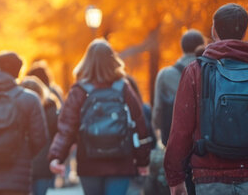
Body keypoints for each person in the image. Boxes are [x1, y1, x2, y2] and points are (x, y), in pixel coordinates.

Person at [164, 3, 248, 195]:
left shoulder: (195, 71)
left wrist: (175, 178)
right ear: (244, 31)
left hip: (209, 176)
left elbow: (181, 130)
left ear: (214, 30)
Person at [48, 39, 152, 195]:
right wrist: (143, 161)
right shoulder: (123, 87)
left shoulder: (79, 90)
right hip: (121, 162)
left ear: (87, 61)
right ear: (113, 60)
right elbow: (139, 124)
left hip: (89, 163)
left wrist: (57, 157)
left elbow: (66, 128)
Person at [0, 51, 49, 195]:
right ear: (17, 73)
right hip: (17, 177)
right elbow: (40, 138)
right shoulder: (30, 99)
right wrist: (22, 153)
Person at [152, 30, 205, 146]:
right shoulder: (210, 70)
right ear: (202, 45)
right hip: (204, 136)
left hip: (174, 135)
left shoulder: (165, 74)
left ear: (182, 47)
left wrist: (157, 127)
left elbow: (158, 108)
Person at [20, 76, 59, 195]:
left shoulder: (15, 110)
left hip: (22, 166)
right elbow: (57, 136)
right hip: (44, 165)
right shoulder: (51, 109)